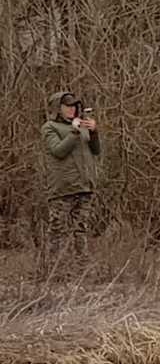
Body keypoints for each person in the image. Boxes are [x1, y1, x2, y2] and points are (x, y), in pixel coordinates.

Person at [41, 90, 102, 260]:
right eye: (67, 106)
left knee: (81, 229)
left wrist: (94, 131)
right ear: (57, 108)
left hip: (84, 185)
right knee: (57, 229)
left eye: (74, 106)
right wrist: (74, 132)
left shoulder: (82, 127)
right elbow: (58, 151)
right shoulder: (49, 127)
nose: (72, 110)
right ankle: (53, 266)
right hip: (62, 188)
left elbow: (96, 151)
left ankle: (81, 265)